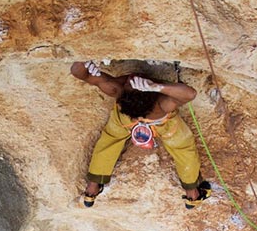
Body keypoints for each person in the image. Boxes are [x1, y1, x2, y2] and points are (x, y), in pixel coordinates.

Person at [69, 61, 211, 209]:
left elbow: (78, 73)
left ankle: (93, 186)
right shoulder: (161, 104)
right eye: (134, 82)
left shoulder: (118, 89)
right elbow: (189, 93)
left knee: (110, 139)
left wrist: (85, 63)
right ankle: (192, 192)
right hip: (162, 124)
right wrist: (156, 86)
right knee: (182, 147)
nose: (133, 77)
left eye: (132, 82)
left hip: (125, 119)